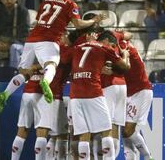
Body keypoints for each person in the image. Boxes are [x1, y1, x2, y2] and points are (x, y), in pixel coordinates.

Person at [0, 0, 105, 113]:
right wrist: (94, 20)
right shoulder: (70, 3)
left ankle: (6, 94)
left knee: (25, 72)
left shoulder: (46, 1)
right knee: (51, 65)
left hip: (31, 39)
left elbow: (41, 20)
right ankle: (45, 81)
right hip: (49, 40)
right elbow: (78, 24)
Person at [63, 30, 131, 160]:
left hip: (75, 95)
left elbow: (64, 59)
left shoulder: (77, 47)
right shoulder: (105, 48)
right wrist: (126, 55)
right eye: (112, 45)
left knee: (83, 134)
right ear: (106, 41)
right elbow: (124, 67)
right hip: (93, 93)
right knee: (107, 131)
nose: (112, 48)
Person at [99, 29, 133, 158]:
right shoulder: (116, 38)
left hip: (108, 86)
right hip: (121, 86)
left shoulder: (100, 45)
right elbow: (130, 34)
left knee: (106, 125)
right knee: (115, 125)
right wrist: (122, 40)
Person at [120, 40, 154, 160]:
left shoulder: (124, 48)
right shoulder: (124, 43)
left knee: (128, 130)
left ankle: (147, 156)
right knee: (125, 132)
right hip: (128, 92)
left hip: (140, 91)